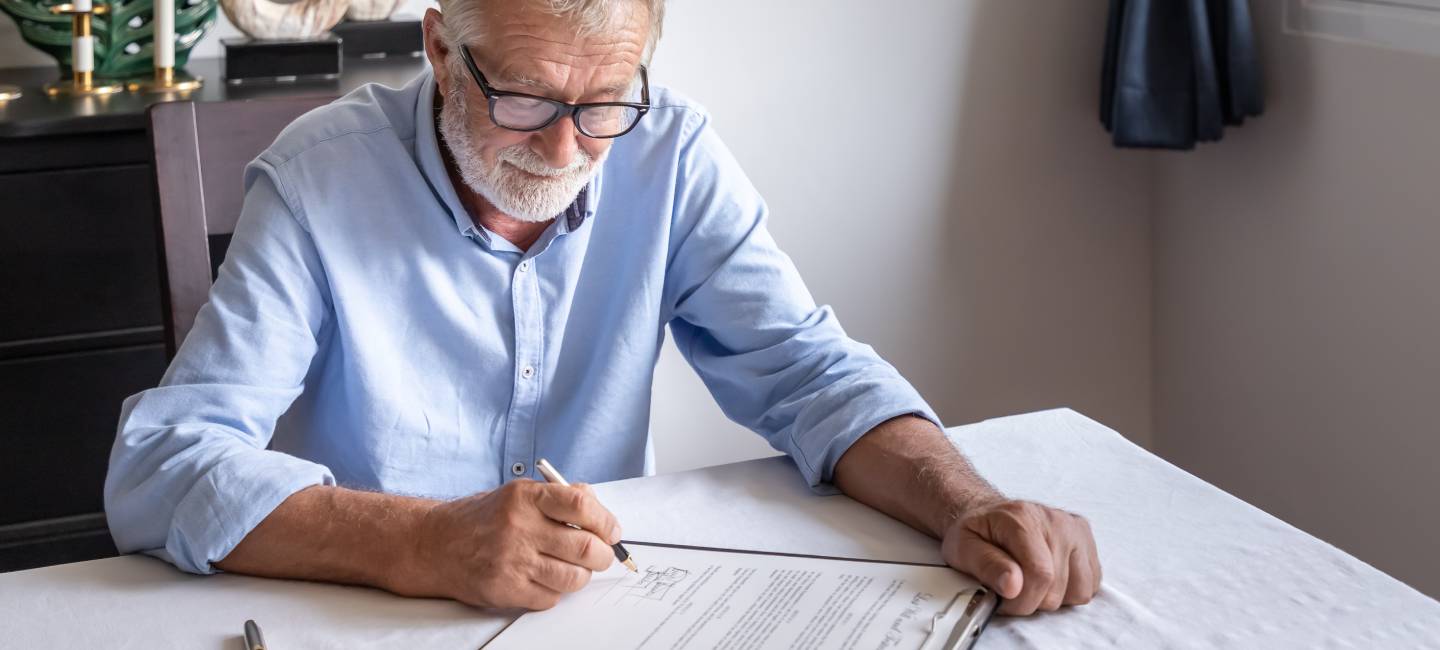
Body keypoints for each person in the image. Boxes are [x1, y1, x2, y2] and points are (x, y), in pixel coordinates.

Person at [104, 0, 1100, 617]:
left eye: (605, 103)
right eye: (528, 99)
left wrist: (966, 503)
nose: (567, 150)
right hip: (373, 617)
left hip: (597, 614)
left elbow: (814, 377)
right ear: (443, 50)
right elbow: (159, 467)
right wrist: (419, 542)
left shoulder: (673, 154)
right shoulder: (319, 181)